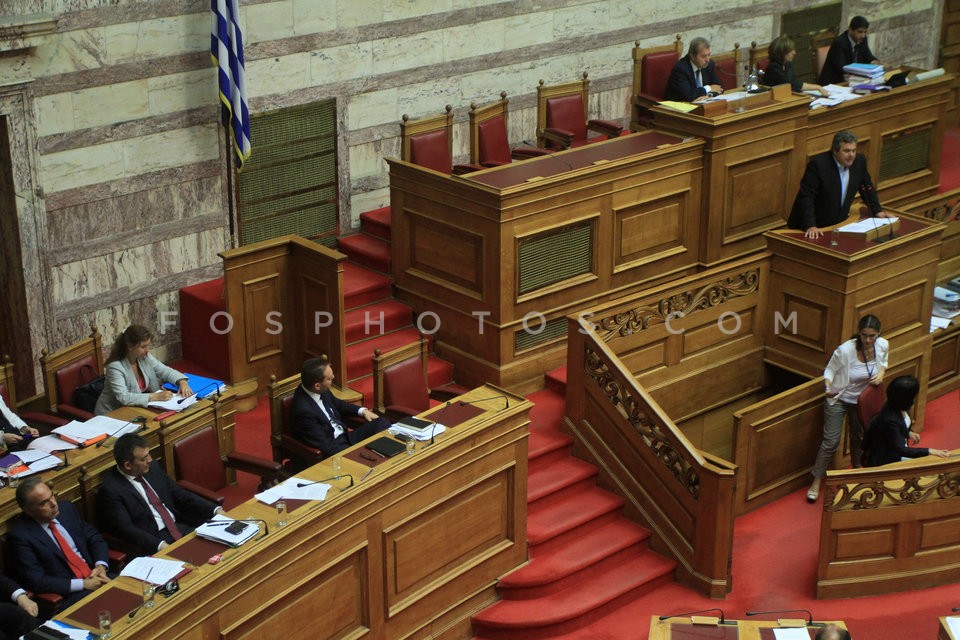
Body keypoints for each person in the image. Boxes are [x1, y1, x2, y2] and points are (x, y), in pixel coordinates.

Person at [96, 433, 223, 555]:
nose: (149, 460)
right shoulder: (111, 490)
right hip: (155, 541)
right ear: (128, 465)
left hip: (180, 527)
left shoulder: (152, 468)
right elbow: (127, 529)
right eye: (144, 458)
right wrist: (159, 545)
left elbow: (179, 494)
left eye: (148, 454)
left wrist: (215, 510)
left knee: (222, 548)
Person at [807, 314, 888, 502]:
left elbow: (883, 362)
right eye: (864, 335)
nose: (868, 340)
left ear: (879, 334)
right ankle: (817, 480)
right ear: (859, 333)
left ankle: (857, 473)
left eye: (872, 336)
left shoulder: (883, 344)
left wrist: (882, 372)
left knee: (858, 437)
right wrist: (827, 386)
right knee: (831, 442)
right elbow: (829, 370)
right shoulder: (845, 351)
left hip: (862, 401)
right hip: (839, 398)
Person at [6, 476, 112, 608]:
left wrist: (101, 566)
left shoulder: (66, 510)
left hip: (98, 576)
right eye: (44, 503)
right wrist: (83, 584)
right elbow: (37, 581)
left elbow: (94, 538)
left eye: (51, 496)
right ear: (28, 511)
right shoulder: (20, 536)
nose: (53, 504)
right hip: (72, 595)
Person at [788, 130, 887, 239]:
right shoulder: (818, 165)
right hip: (813, 227)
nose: (851, 155)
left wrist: (877, 210)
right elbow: (806, 196)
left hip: (838, 225)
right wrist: (811, 225)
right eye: (847, 151)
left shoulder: (859, 161)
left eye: (854, 150)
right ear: (835, 151)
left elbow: (867, 187)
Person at [289, 357, 391, 458]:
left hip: (346, 436)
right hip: (335, 446)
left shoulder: (320, 389)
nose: (333, 377)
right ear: (317, 386)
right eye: (329, 378)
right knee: (365, 457)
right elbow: (326, 445)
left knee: (381, 422)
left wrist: (362, 411)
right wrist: (358, 451)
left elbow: (339, 405)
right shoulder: (303, 410)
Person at [95, 324, 193, 415]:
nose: (147, 350)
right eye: (143, 347)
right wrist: (154, 397)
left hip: (135, 409)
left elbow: (165, 371)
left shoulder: (144, 357)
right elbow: (123, 397)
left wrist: (182, 382)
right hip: (113, 414)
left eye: (148, 345)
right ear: (130, 346)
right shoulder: (115, 367)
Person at [861, 375, 951, 466]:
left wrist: (908, 433)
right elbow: (901, 450)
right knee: (931, 463)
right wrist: (930, 451)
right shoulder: (890, 420)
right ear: (906, 398)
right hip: (889, 460)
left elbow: (897, 429)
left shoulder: (894, 405)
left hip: (896, 449)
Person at [818, 16, 881, 86]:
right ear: (850, 30)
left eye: (865, 32)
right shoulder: (839, 43)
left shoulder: (862, 39)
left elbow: (868, 57)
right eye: (860, 32)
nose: (863, 35)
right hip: (835, 84)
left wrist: (877, 63)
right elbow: (843, 69)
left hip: (854, 81)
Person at [664, 37, 724, 102]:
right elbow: (688, 95)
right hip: (678, 108)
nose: (707, 60)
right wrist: (708, 88)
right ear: (692, 56)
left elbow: (718, 87)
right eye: (703, 56)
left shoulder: (709, 64)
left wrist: (708, 95)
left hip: (702, 104)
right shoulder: (681, 69)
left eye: (709, 55)